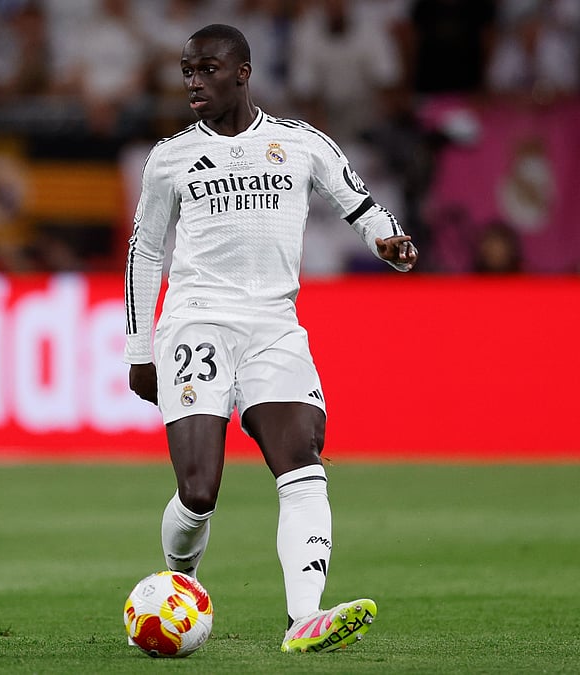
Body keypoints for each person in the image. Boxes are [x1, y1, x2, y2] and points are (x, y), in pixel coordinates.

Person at [122, 24, 418, 654]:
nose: (194, 83)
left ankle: (303, 618)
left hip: (275, 326)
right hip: (198, 321)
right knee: (198, 492)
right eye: (187, 71)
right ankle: (178, 580)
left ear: (243, 73)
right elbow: (144, 252)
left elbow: (359, 204)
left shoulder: (300, 143)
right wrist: (139, 349)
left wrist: (386, 240)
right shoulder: (169, 157)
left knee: (302, 460)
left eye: (207, 70)